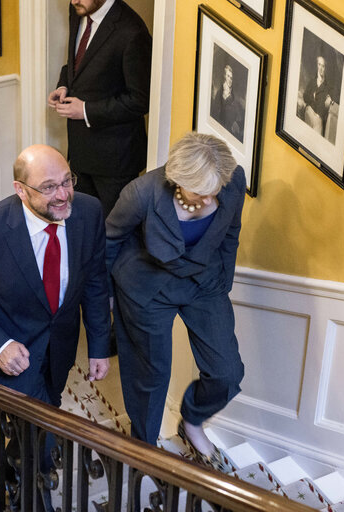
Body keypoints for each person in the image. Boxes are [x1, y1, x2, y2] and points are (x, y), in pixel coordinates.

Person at [0, 145, 111, 509]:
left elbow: (96, 280)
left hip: (59, 348)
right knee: (41, 437)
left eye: (67, 180)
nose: (63, 194)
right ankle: (32, 499)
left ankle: (10, 473)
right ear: (21, 190)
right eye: (49, 187)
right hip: (8, 352)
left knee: (36, 426)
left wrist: (98, 344)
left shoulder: (89, 212)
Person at [106, 132, 246, 472]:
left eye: (215, 190)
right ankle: (144, 450)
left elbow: (231, 233)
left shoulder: (233, 180)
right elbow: (109, 242)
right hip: (147, 286)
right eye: (201, 192)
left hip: (204, 284)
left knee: (226, 371)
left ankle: (192, 421)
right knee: (150, 375)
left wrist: (222, 283)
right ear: (178, 181)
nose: (210, 197)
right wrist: (108, 302)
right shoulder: (141, 194)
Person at [48, 0, 152, 218]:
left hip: (115, 162)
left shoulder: (132, 32)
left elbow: (140, 101)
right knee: (82, 224)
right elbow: (76, 62)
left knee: (113, 234)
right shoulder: (78, 9)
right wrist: (63, 85)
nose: (73, 1)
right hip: (80, 153)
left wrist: (85, 110)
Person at [210, 64, 244, 142]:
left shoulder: (235, 93)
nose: (230, 80)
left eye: (231, 78)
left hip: (232, 130)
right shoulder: (220, 91)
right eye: (228, 76)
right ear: (225, 76)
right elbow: (215, 112)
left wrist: (235, 123)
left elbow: (239, 112)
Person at [303, 55, 333, 136]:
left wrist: (314, 97)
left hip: (319, 118)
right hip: (309, 112)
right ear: (316, 66)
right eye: (319, 65)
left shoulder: (327, 87)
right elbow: (305, 96)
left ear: (325, 68)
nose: (320, 68)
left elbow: (324, 107)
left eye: (323, 66)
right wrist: (313, 102)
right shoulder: (312, 82)